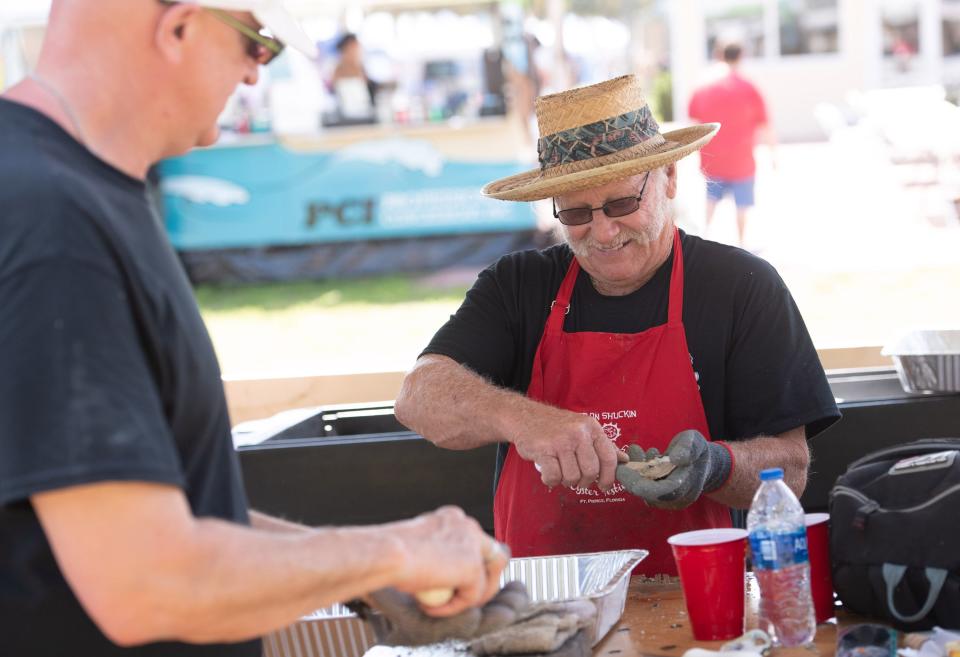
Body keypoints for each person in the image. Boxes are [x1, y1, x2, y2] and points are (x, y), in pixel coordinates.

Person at [0, 1, 506, 655]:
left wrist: (374, 572)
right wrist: (394, 551)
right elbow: (149, 581)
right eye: (256, 45)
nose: (254, 78)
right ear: (178, 28)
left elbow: (180, 509)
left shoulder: (68, 190)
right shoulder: (54, 219)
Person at [395, 75, 839, 576]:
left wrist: (714, 467)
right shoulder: (517, 286)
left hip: (696, 594)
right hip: (550, 598)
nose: (603, 232)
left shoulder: (741, 286)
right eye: (577, 212)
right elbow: (418, 397)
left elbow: (792, 468)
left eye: (623, 204)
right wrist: (525, 420)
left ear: (669, 178)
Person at [687, 42, 776, 247]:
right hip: (742, 160)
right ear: (741, 56)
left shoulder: (703, 87)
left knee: (710, 200)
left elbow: (693, 122)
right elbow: (766, 124)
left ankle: (702, 239)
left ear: (719, 56)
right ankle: (742, 243)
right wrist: (773, 155)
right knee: (742, 206)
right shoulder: (749, 87)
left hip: (712, 158)